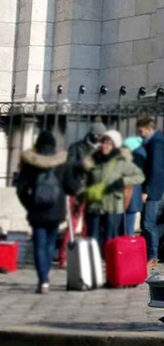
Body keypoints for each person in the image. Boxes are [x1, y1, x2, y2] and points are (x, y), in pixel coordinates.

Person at [15, 131, 68, 294]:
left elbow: (21, 189)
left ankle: (43, 279)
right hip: (56, 210)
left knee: (39, 244)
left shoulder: (31, 163)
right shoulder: (61, 162)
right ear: (53, 145)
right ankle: (46, 277)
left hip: (37, 210)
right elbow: (70, 185)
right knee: (50, 244)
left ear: (37, 145)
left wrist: (29, 204)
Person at [81, 130, 144, 245]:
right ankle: (95, 261)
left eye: (109, 144)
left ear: (115, 145)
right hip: (95, 205)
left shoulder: (121, 161)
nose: (105, 146)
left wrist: (123, 181)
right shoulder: (94, 160)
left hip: (113, 206)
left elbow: (139, 176)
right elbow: (84, 179)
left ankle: (110, 261)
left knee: (111, 238)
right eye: (104, 143)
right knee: (93, 237)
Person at [135, 116, 164, 262]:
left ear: (149, 129)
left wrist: (147, 191)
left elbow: (156, 169)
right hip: (152, 188)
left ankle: (153, 256)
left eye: (141, 131)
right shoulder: (153, 144)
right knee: (147, 223)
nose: (140, 134)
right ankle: (149, 254)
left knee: (148, 223)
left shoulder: (155, 144)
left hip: (152, 190)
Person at [63, 120, 106, 196]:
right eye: (97, 135)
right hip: (80, 186)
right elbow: (69, 164)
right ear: (91, 133)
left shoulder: (105, 148)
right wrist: (82, 164)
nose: (100, 137)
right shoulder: (76, 146)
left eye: (102, 135)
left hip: (99, 186)